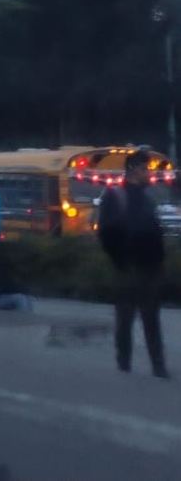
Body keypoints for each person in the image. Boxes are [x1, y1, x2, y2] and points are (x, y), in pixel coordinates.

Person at [98, 149, 170, 379]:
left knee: (151, 319)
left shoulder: (148, 197)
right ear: (132, 170)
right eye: (144, 168)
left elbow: (155, 230)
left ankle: (158, 366)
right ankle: (124, 362)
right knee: (125, 318)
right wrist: (119, 260)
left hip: (150, 267)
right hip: (127, 267)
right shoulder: (115, 195)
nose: (148, 173)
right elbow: (106, 233)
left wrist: (159, 261)